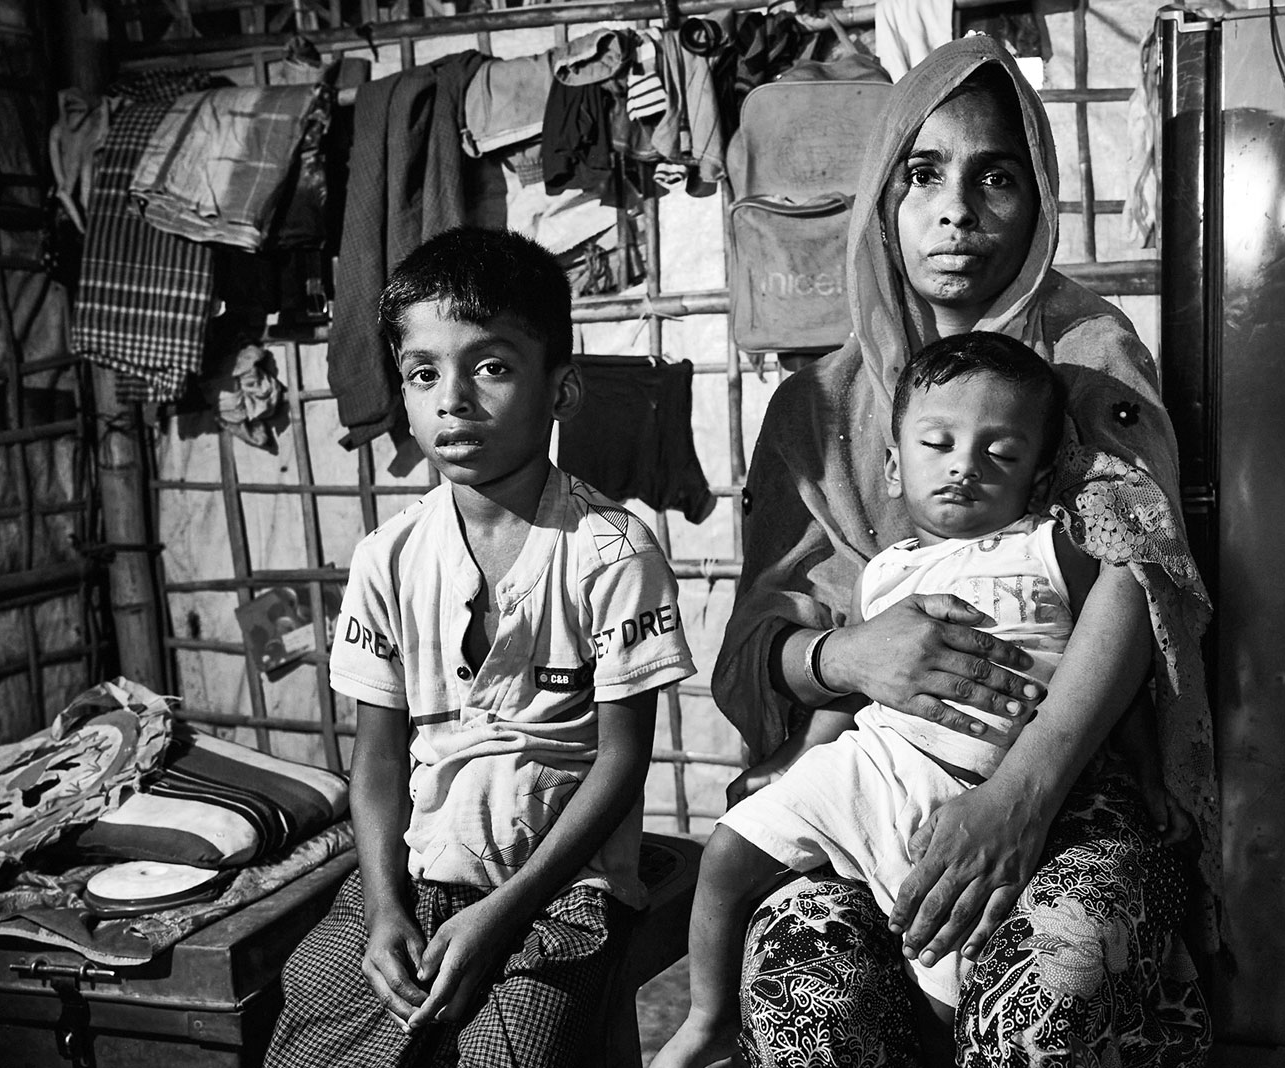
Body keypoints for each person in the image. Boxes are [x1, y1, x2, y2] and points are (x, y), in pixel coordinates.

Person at [711, 35, 1219, 1066]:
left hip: (1071, 782)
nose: (956, 209)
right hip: (866, 787)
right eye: (922, 174)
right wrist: (844, 657)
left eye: (994, 175)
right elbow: (757, 641)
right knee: (803, 978)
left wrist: (1016, 803)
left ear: (1038, 197)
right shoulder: (816, 408)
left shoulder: (1087, 364)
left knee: (1062, 965)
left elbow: (1138, 577)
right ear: (880, 202)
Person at [658, 332, 1187, 1068]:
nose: (964, 466)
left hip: (979, 787)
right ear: (892, 465)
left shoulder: (1046, 546)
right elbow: (853, 688)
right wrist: (805, 754)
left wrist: (1144, 768)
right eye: (937, 442)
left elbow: (1125, 637)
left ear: (1038, 477)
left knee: (946, 982)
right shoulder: (881, 572)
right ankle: (708, 1018)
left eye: (999, 454)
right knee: (726, 851)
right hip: (869, 770)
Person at [264, 227, 696, 1067]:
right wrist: (386, 909)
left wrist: (503, 914)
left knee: (511, 1054)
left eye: (490, 367)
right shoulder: (387, 558)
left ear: (561, 389)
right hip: (416, 872)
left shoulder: (612, 551)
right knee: (309, 1026)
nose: (452, 399)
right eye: (424, 373)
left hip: (560, 889)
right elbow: (381, 760)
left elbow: (621, 763)